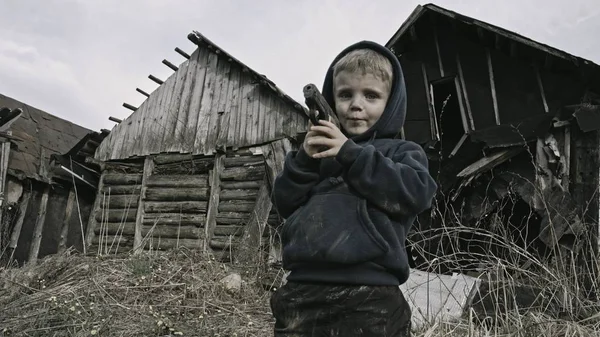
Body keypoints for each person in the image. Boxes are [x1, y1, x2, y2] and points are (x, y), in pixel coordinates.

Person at [270, 40, 438, 336]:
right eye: (345, 94)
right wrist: (304, 161)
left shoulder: (401, 152)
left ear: (391, 104)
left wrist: (350, 154)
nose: (356, 104)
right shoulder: (315, 154)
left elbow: (417, 193)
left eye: (371, 95)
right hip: (303, 288)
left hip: (371, 291)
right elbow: (284, 202)